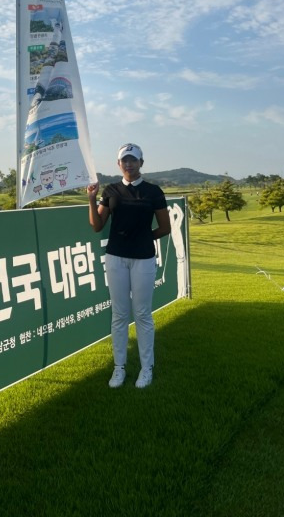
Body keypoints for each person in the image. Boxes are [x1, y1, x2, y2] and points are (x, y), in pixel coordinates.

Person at [87, 143, 171, 389]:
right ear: (118, 164)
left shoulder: (153, 191)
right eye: (124, 160)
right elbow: (96, 225)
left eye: (133, 160)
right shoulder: (111, 190)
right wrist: (92, 199)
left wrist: (143, 238)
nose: (128, 164)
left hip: (143, 258)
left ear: (141, 163)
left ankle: (147, 368)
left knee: (143, 314)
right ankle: (119, 368)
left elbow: (164, 228)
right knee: (120, 314)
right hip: (116, 258)